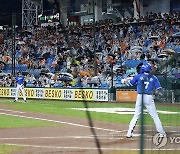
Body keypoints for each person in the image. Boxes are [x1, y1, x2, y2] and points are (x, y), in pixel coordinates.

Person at [125, 63, 166, 138]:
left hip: (140, 96)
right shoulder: (154, 77)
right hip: (148, 97)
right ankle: (162, 133)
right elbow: (159, 89)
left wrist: (125, 80)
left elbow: (130, 84)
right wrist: (155, 94)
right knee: (155, 116)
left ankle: (129, 133)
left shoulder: (138, 76)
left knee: (136, 116)